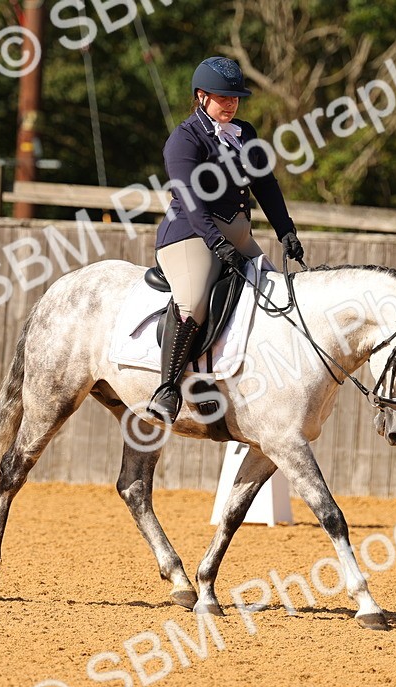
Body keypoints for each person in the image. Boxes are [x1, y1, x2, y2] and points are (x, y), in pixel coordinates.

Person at [147, 56, 305, 422]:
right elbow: (190, 200)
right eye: (223, 97)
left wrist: (286, 230)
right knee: (194, 303)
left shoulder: (245, 133)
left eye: (235, 98)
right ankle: (168, 387)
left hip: (237, 235)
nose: (231, 104)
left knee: (274, 294)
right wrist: (216, 242)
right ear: (201, 96)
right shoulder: (184, 139)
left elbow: (266, 185)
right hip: (190, 236)